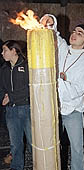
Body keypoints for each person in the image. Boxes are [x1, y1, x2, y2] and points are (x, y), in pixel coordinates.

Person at [40, 15, 84, 170]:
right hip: (55, 107)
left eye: (80, 33)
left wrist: (58, 81)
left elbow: (77, 90)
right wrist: (49, 19)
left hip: (73, 111)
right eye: (74, 31)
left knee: (77, 149)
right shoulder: (63, 48)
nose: (74, 34)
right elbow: (54, 32)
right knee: (54, 145)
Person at [0, 40, 32, 170]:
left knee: (32, 141)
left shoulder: (27, 66)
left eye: (5, 50)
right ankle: (16, 167)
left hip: (26, 108)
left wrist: (11, 97)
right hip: (11, 110)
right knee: (15, 143)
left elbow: (29, 88)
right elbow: (1, 88)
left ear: (14, 50)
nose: (2, 53)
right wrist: (3, 97)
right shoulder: (4, 69)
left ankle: (40, 164)